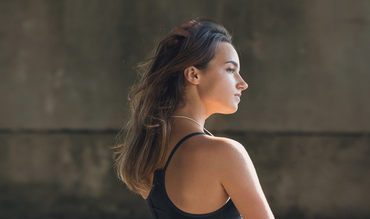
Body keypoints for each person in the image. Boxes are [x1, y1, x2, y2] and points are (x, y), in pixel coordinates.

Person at [112, 18, 274, 219]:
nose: (243, 84)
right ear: (193, 74)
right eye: (231, 70)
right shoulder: (226, 154)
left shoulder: (148, 151)